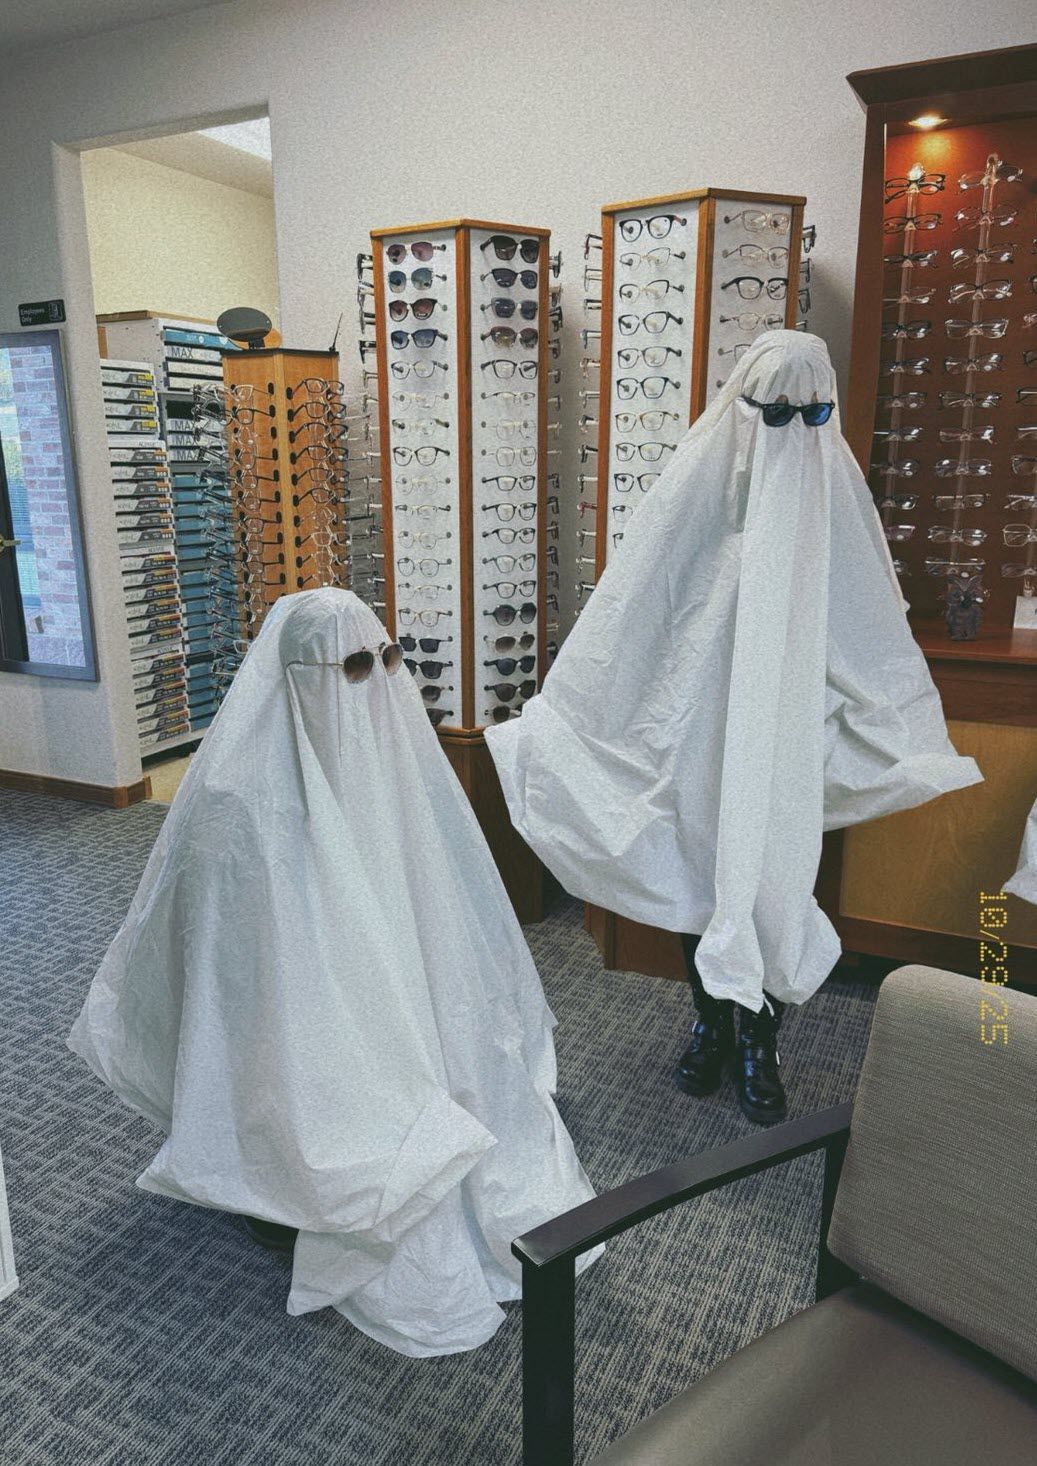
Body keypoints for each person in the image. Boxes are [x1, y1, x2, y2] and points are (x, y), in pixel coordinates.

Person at [69, 588, 597, 1356]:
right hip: (283, 1017)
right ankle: (277, 1167)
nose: (377, 682)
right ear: (293, 675)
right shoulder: (235, 801)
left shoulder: (399, 773)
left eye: (387, 660)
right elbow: (233, 973)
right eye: (351, 666)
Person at [486, 330, 982, 1123]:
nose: (792, 429)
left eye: (811, 411)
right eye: (773, 412)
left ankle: (761, 1040)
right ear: (742, 406)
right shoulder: (695, 489)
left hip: (789, 739)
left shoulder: (829, 494)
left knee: (772, 880)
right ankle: (711, 1022)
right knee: (702, 878)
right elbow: (634, 606)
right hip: (696, 734)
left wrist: (876, 722)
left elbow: (862, 615)